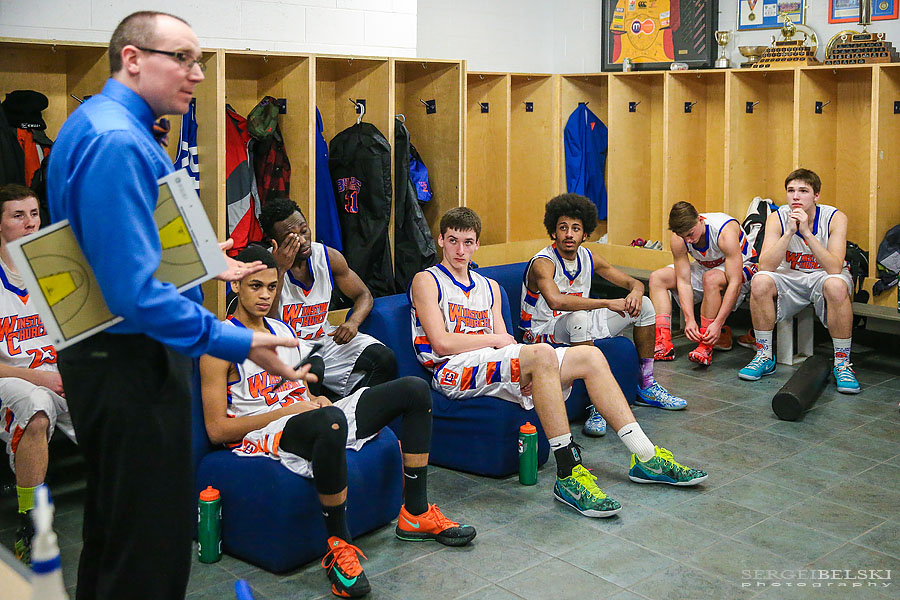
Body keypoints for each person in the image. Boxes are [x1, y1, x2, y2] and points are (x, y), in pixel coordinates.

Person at [46, 12, 308, 599]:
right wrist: (240, 340)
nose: (197, 73)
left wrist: (204, 261)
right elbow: (133, 293)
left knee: (117, 533)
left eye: (199, 59)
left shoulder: (107, 123)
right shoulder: (116, 140)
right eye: (183, 58)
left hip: (113, 355)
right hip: (127, 363)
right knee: (148, 545)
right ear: (133, 59)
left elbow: (111, 245)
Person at [201, 246, 475, 598]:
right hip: (261, 433)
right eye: (256, 286)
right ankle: (339, 549)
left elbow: (299, 391)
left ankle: (416, 513)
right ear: (236, 285)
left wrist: (310, 400)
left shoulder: (281, 329)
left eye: (271, 287)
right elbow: (217, 430)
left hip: (305, 417)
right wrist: (292, 411)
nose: (266, 295)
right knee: (329, 420)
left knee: (413, 390)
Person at [409, 207, 707, 519]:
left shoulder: (489, 287)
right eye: (453, 240)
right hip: (452, 369)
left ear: (476, 245)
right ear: (440, 240)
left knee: (590, 356)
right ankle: (567, 473)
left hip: (492, 360)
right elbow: (442, 342)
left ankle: (646, 458)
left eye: (467, 242)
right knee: (540, 354)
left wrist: (511, 354)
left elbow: (505, 339)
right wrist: (503, 346)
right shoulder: (427, 280)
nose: (460, 249)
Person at [521, 194, 686, 438]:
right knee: (580, 318)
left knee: (647, 307)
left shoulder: (589, 257)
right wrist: (608, 303)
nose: (569, 234)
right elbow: (556, 301)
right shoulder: (543, 263)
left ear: (585, 234)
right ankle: (596, 404)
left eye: (575, 228)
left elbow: (632, 282)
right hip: (542, 332)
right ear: (553, 232)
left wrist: (637, 293)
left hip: (578, 324)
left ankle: (647, 384)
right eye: (563, 228)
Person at [0, 185, 76, 564]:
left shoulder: (55, 267)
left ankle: (130, 500)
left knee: (115, 391)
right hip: (11, 378)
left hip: (56, 372)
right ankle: (29, 519)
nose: (30, 223)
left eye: (34, 214)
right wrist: (37, 378)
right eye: (18, 216)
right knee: (37, 404)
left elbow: (78, 329)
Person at [260, 198, 397, 398]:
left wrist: (353, 322)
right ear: (274, 243)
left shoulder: (328, 257)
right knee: (312, 367)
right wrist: (279, 270)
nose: (302, 240)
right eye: (291, 237)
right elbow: (266, 323)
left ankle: (357, 416)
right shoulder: (263, 267)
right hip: (286, 348)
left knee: (384, 359)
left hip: (323, 339)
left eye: (304, 230)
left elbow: (364, 295)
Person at [738, 168, 860, 393]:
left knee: (836, 284)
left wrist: (806, 232)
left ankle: (842, 362)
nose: (795, 196)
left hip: (824, 276)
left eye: (803, 191)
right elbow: (765, 265)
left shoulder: (835, 218)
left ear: (816, 196)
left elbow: (834, 267)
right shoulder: (777, 217)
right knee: (760, 280)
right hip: (791, 276)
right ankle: (763, 355)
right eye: (791, 190)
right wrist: (789, 233)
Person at [649, 201, 757, 366]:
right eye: (684, 236)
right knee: (657, 278)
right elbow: (683, 281)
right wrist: (689, 319)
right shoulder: (680, 238)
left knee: (711, 278)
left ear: (700, 219)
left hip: (744, 267)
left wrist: (718, 323)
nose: (689, 240)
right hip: (707, 266)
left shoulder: (724, 233)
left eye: (691, 234)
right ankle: (663, 342)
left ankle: (706, 343)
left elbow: (735, 283)